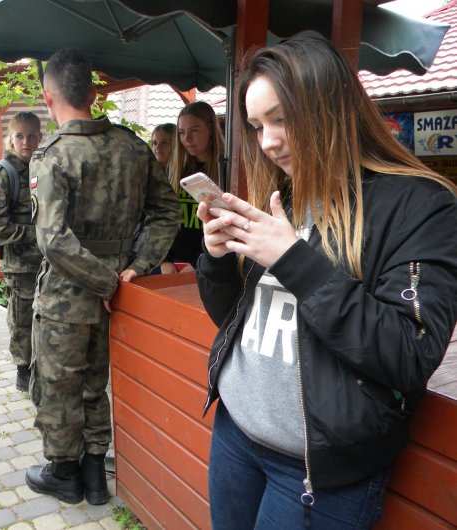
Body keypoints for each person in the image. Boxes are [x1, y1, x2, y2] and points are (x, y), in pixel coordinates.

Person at [196, 32, 457, 530]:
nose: (267, 141)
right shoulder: (288, 194)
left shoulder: (422, 206)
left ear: (330, 105)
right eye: (256, 125)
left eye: (281, 118)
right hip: (234, 432)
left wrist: (293, 260)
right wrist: (214, 260)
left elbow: (409, 353)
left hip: (317, 469)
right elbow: (233, 320)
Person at [25, 48, 179, 505]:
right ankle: (96, 477)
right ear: (93, 92)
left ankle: (65, 474)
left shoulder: (52, 156)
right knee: (95, 382)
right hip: (120, 290)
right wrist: (135, 269)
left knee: (58, 384)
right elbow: (167, 210)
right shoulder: (132, 146)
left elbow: (53, 240)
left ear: (48, 97)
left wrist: (109, 282)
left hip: (68, 296)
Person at [0, 111, 43, 391]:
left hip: (47, 264)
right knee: (22, 322)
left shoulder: (42, 168)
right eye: (20, 136)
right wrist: (39, 236)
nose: (26, 142)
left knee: (44, 320)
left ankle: (41, 370)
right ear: (11, 138)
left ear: (40, 137)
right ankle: (23, 371)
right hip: (20, 267)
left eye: (32, 135)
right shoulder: (4, 173)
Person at [160, 101, 224, 274]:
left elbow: (226, 228)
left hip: (208, 266)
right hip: (171, 267)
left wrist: (197, 263)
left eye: (194, 131)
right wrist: (164, 260)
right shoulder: (175, 171)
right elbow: (163, 219)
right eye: (181, 132)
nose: (186, 139)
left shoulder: (225, 172)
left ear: (211, 130)